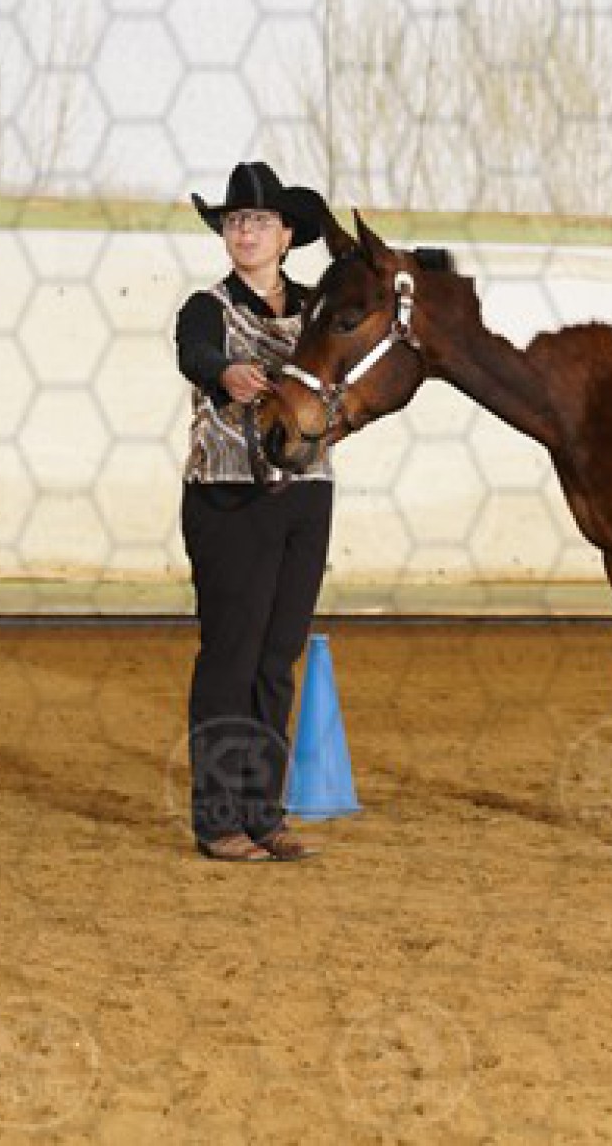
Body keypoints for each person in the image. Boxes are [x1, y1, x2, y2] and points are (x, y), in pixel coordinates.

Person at [174, 161, 335, 863]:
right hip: (228, 495)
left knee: (276, 657)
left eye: (260, 221)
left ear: (287, 234)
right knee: (231, 657)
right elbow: (194, 351)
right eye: (236, 221)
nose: (245, 232)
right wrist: (222, 371)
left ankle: (263, 814)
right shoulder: (206, 305)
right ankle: (218, 821)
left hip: (306, 493)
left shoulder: (319, 309)